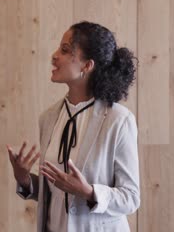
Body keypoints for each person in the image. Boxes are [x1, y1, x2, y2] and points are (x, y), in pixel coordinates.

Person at [8, 21, 140, 232]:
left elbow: (131, 198)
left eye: (65, 49)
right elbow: (54, 192)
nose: (54, 55)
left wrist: (89, 192)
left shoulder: (119, 120)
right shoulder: (49, 118)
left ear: (87, 66)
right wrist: (23, 178)